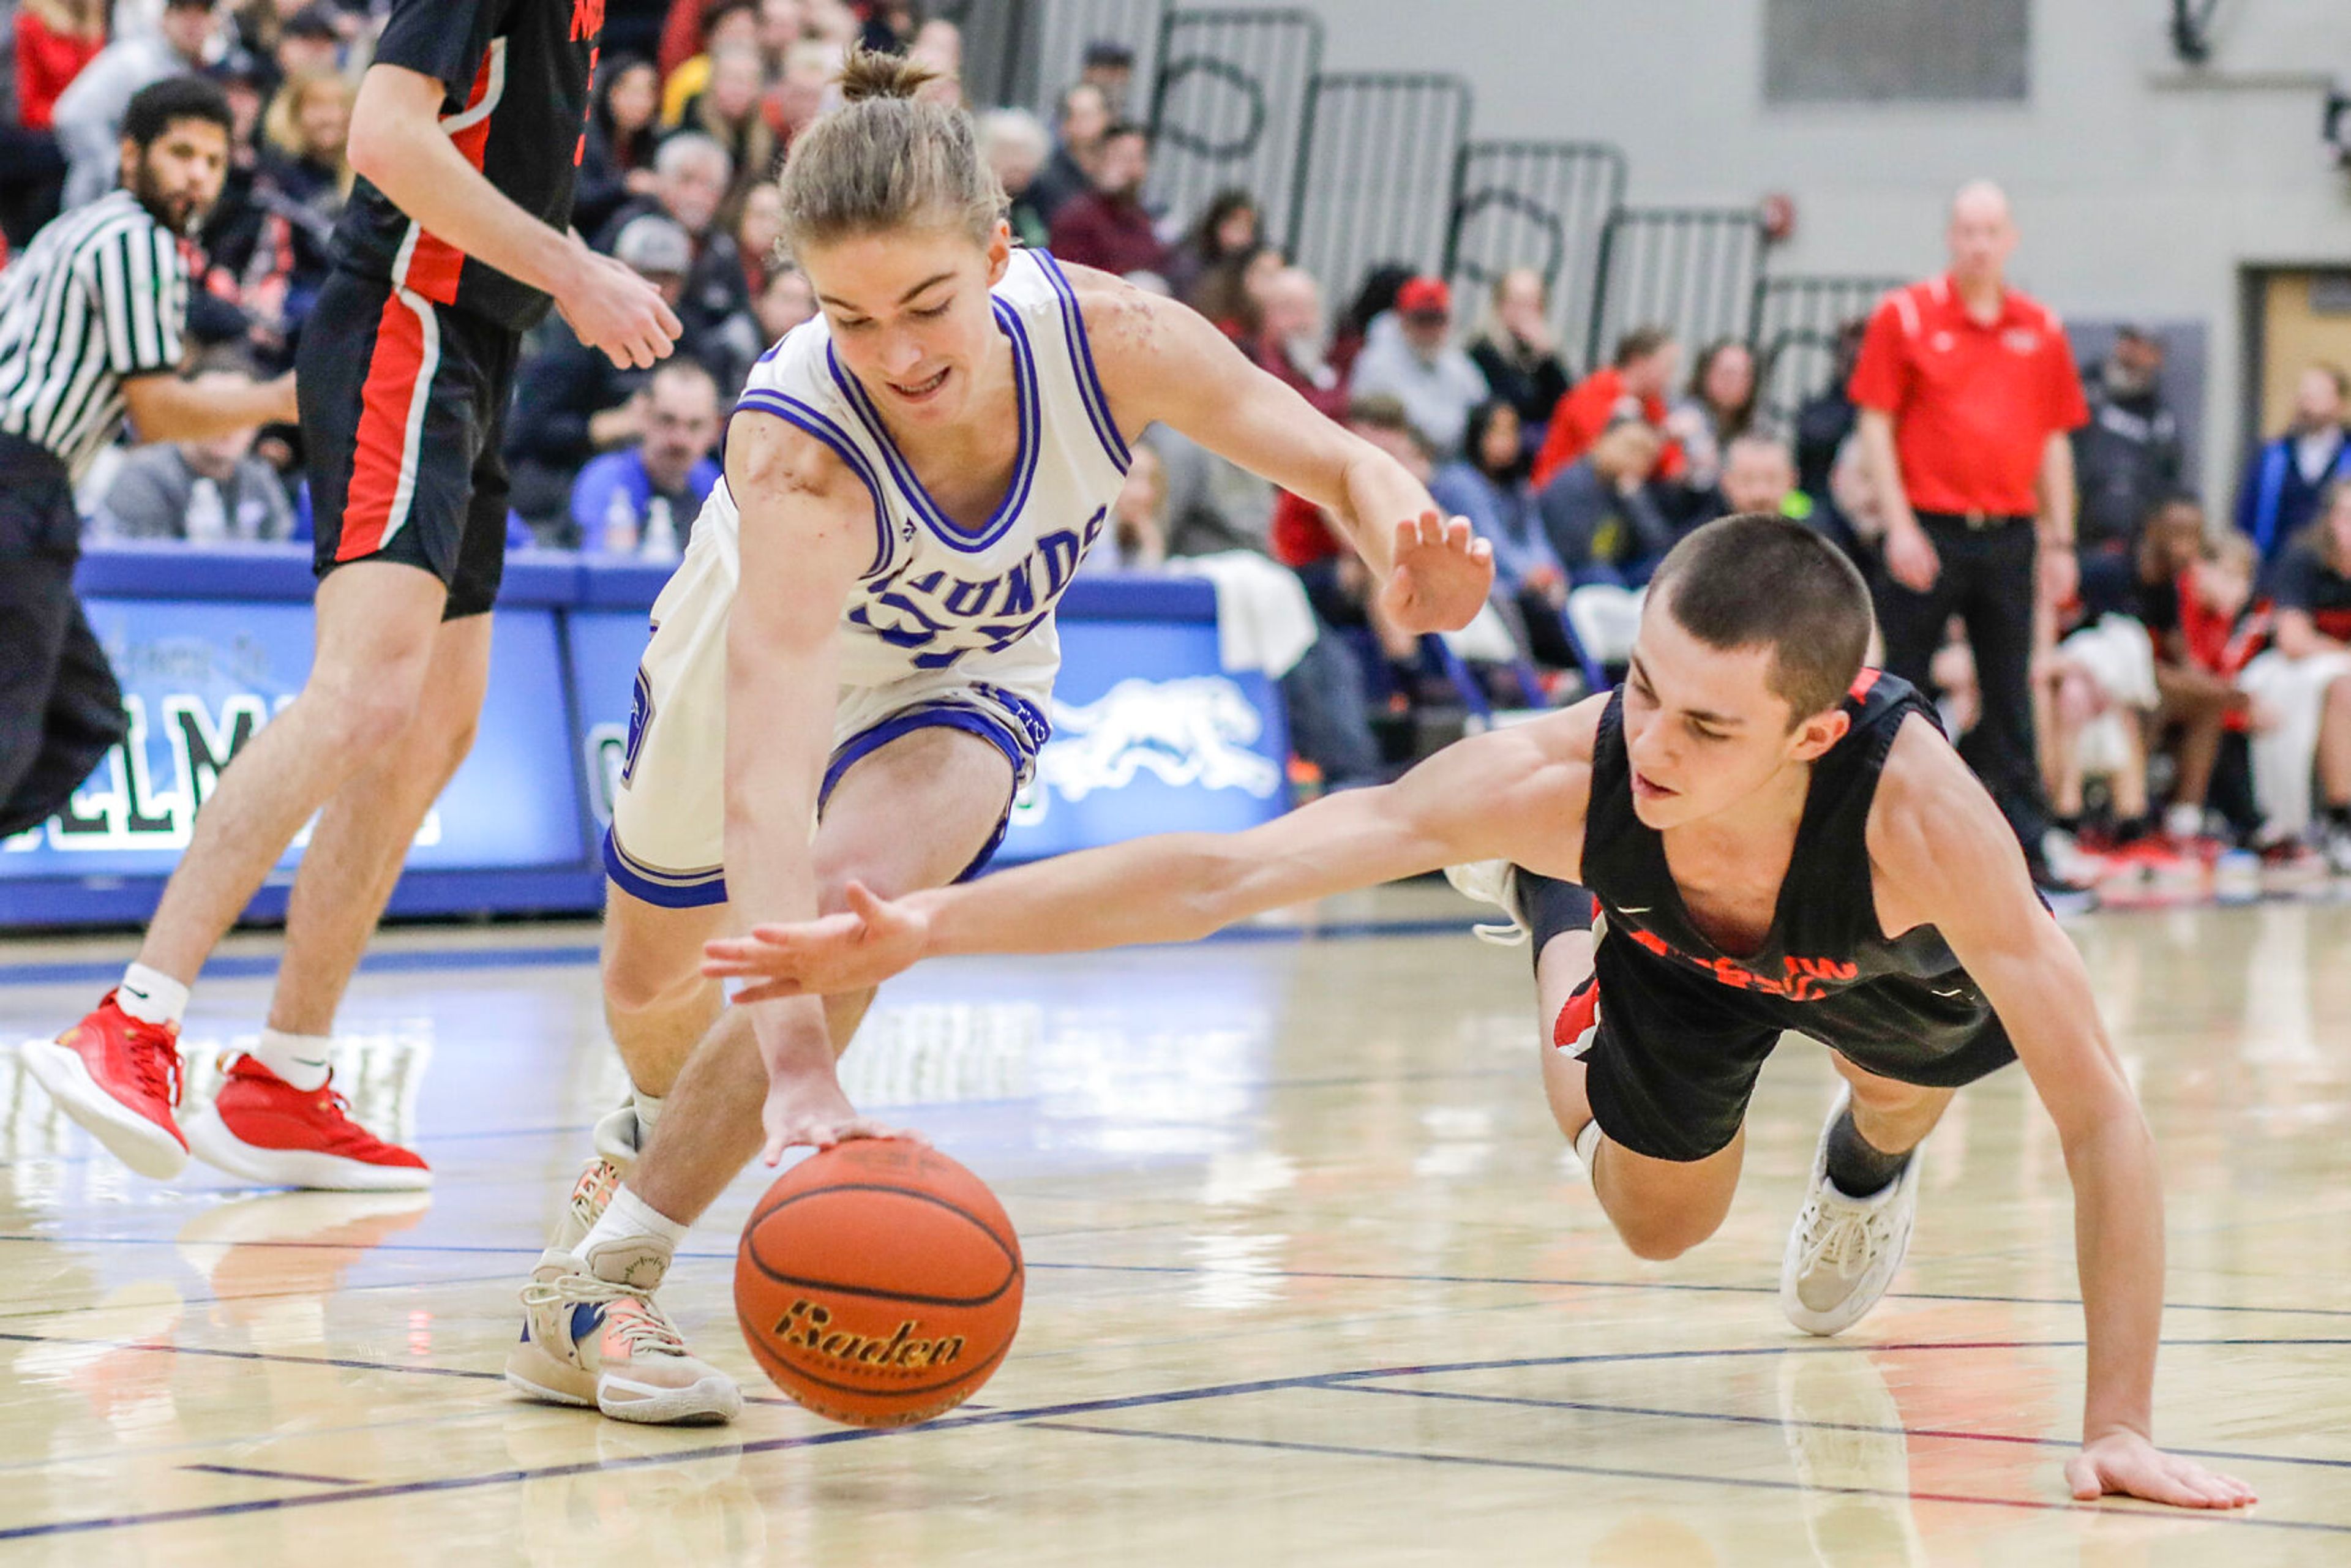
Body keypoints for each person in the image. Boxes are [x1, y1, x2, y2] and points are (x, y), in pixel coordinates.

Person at [708, 512, 2260, 1515]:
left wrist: (2114, 1415)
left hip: (1869, 958)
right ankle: (1556, 922)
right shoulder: (1559, 773)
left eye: (1704, 722)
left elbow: (2101, 1113)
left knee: (1900, 1076)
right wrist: (924, 923)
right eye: (1641, 683)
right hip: (1674, 946)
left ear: (1816, 726)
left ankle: (1868, 1160)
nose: (1647, 736)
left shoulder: (1925, 828)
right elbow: (1222, 872)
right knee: (1655, 1221)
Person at [499, 51, 1493, 1425]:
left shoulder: (1114, 336)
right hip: (753, 661)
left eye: (927, 303)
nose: (900, 353)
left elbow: (1331, 456)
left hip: (964, 670)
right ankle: (656, 1130)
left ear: (998, 249)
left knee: (860, 906)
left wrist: (1403, 542)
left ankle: (596, 1282)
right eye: (850, 318)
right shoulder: (799, 453)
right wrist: (793, 1065)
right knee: (657, 998)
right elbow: (767, 779)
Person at [32, 0, 682, 1191]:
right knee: (364, 693)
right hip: (404, 321)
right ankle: (132, 1016)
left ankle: (286, 1073)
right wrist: (575, 266)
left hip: (480, 349)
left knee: (435, 723)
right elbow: (386, 135)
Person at [1, 78, 296, 844]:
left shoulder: (75, 227)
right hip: (18, 483)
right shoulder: (138, 240)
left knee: (85, 712)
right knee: (12, 727)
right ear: (131, 155)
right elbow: (157, 410)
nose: (198, 174)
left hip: (30, 487)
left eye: (213, 159)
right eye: (180, 153)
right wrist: (281, 400)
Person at [1851, 180, 2090, 895]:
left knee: (2012, 690)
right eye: (1967, 231)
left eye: (1991, 231)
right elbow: (1874, 423)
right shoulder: (1907, 316)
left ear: (2010, 239)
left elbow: (2054, 442)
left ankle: (2026, 848)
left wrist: (2061, 541)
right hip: (1927, 531)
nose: (1979, 243)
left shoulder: (2040, 328)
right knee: (1903, 688)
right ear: (1950, 238)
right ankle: (1888, 845)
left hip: (2012, 533)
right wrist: (1897, 525)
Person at [2237, 477, 2351, 867]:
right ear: (2330, 521)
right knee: (2344, 688)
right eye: (2347, 517)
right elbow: (2293, 640)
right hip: (2280, 672)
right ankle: (2341, 821)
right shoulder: (2302, 560)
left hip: (2329, 667)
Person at [51, 0, 220, 209]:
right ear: (164, 19)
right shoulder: (134, 61)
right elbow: (71, 115)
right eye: (183, 13)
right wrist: (120, 169)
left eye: (202, 14)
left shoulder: (201, 69)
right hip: (101, 205)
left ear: (215, 22)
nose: (193, 24)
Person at [570, 359, 724, 560]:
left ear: (715, 427)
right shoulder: (605, 480)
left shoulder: (715, 487)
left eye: (695, 425)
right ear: (643, 415)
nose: (679, 439)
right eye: (667, 420)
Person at [1346, 274, 1491, 459]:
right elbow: (1366, 424)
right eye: (1422, 319)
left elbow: (1483, 409)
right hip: (1394, 459)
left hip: (1452, 463)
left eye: (1438, 319)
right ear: (1402, 320)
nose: (1430, 329)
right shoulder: (1375, 362)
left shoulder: (1458, 363)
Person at [2072, 328, 2180, 568]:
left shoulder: (2159, 416)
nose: (2133, 351)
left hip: (2132, 543)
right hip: (2079, 534)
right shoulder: (2085, 389)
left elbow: (2168, 478)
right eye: (2129, 341)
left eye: (2144, 346)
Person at [1531, 324, 1683, 489]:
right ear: (1638, 362)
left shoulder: (1651, 402)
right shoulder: (1594, 392)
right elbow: (1613, 458)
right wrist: (1663, 437)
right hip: (1560, 491)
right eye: (1666, 367)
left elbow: (1673, 467)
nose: (1670, 377)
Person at [2232, 362, 2351, 569]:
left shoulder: (2346, 455)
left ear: (2340, 402)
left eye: (2317, 396)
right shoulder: (2272, 456)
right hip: (2274, 569)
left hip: (2337, 574)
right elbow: (2246, 518)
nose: (2307, 404)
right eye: (2304, 395)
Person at [1535, 413, 1674, 584]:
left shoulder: (1630, 490)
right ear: (1601, 441)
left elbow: (1661, 546)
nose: (1638, 460)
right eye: (1633, 448)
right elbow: (1575, 555)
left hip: (1617, 569)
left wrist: (1636, 501)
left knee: (1662, 569)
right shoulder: (1571, 483)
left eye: (1648, 456)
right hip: (1572, 574)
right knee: (1602, 576)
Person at [1044, 121, 1169, 280]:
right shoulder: (1077, 219)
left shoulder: (1143, 220)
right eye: (1121, 159)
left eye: (1137, 159)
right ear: (1098, 161)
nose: (1130, 169)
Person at [1464, 268, 1571, 452]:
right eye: (1517, 303)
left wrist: (1547, 360)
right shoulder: (1482, 348)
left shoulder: (1547, 353)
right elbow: (1511, 402)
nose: (1524, 313)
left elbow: (1564, 407)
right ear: (1500, 304)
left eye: (1532, 305)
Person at [1665, 337, 1756, 501]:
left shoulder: (1756, 428)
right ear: (1705, 373)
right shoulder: (1684, 414)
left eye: (1745, 375)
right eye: (1728, 374)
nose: (1736, 382)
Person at [1024, 81, 1108, 227]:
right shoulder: (1045, 175)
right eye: (1080, 116)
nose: (1085, 124)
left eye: (1092, 115)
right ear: (1065, 124)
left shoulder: (1111, 173)